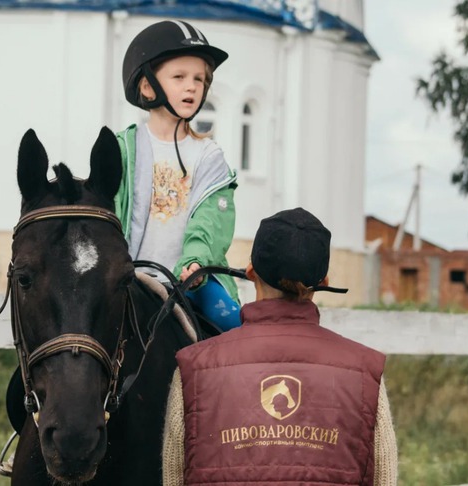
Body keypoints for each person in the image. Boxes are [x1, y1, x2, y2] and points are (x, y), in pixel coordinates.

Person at [162, 207, 399, 485]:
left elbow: (174, 478)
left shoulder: (193, 371)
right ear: (323, 282)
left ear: (251, 271)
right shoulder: (365, 375)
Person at [115, 20, 241, 331]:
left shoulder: (209, 157)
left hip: (188, 280)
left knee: (234, 327)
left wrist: (194, 263)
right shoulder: (123, 150)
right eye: (179, 77)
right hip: (125, 277)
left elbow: (211, 221)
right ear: (147, 86)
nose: (192, 86)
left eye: (200, 78)